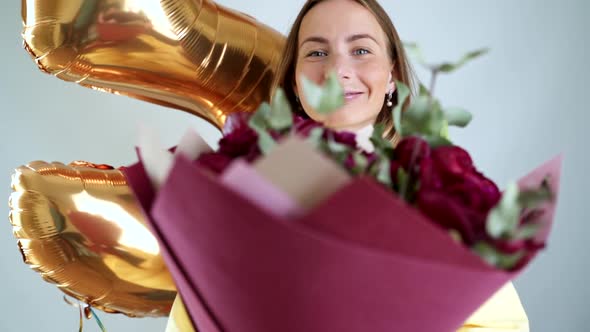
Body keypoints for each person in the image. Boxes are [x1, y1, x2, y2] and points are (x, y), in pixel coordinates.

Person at [166, 1, 530, 331]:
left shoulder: (440, 194)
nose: (338, 69)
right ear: (294, 81)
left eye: (360, 50)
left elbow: (500, 326)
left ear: (392, 76)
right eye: (317, 52)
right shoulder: (240, 192)